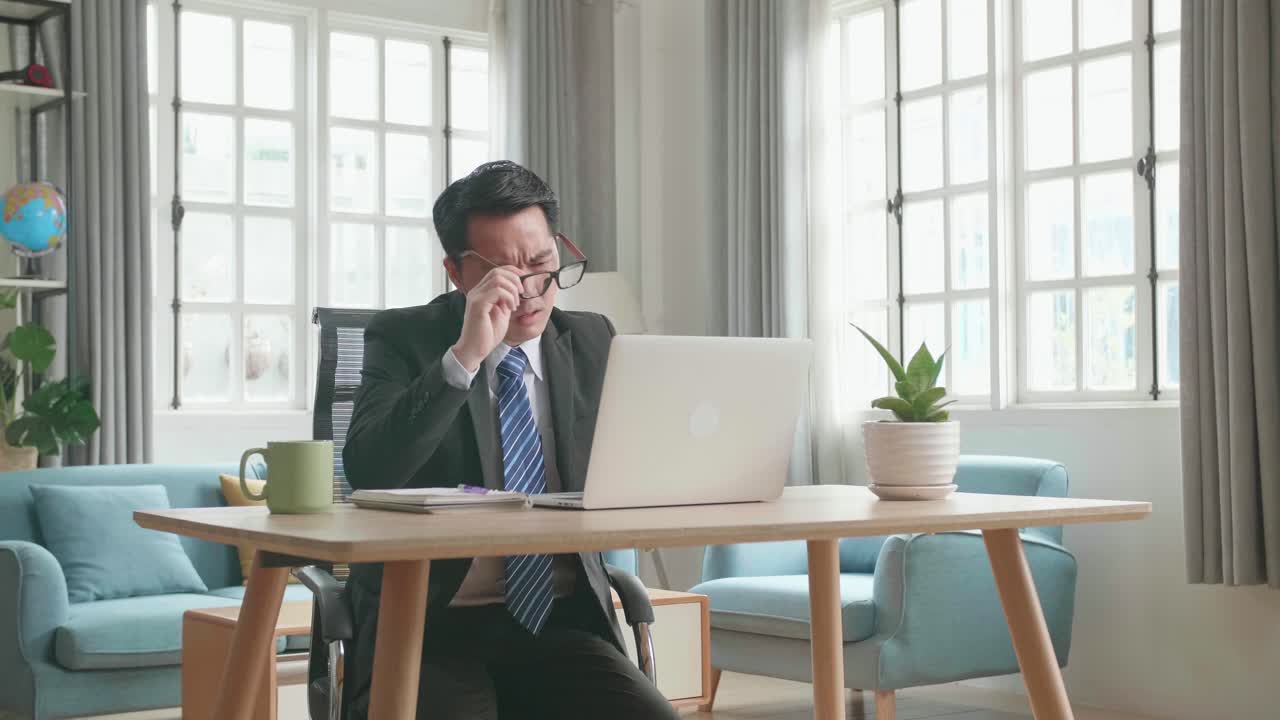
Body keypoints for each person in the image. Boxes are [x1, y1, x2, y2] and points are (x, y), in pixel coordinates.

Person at [341, 161, 678, 720]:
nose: (529, 292)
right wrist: (465, 357)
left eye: (543, 265)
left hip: (560, 625)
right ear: (455, 271)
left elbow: (634, 468)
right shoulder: (403, 338)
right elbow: (371, 469)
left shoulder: (592, 339)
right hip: (430, 628)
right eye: (502, 274)